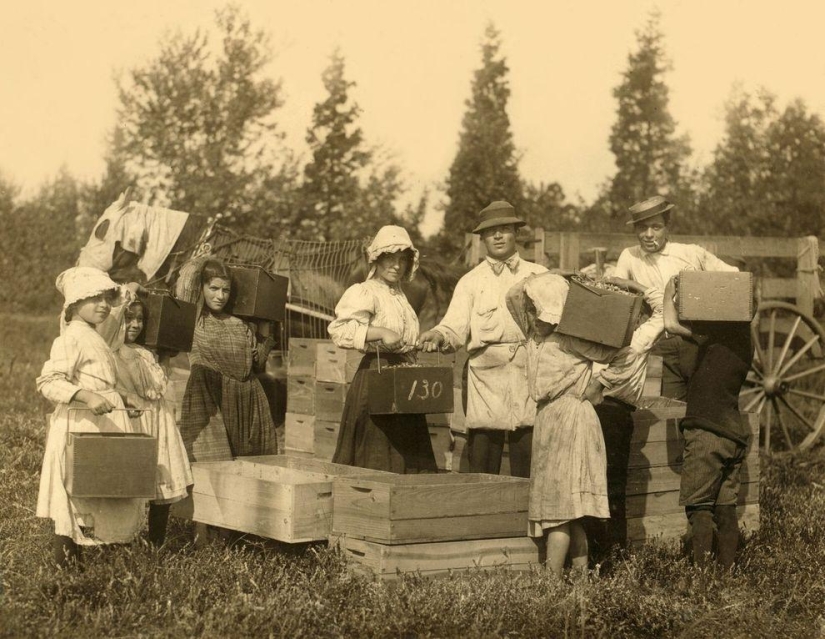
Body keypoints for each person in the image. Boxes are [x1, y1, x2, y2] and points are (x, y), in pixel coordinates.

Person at [506, 273, 625, 577]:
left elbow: (624, 353)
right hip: (549, 420)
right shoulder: (535, 339)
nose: (532, 317)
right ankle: (582, 579)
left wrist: (598, 382)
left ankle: (550, 581)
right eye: (530, 310)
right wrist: (538, 283)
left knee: (560, 510)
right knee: (566, 510)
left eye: (538, 309)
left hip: (572, 420)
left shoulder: (571, 339)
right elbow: (513, 296)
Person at [419, 201, 547, 477]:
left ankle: (525, 517)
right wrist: (438, 334)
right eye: (491, 232)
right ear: (482, 239)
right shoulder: (471, 282)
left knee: (527, 453)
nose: (498, 236)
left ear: (516, 233)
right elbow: (454, 327)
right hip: (486, 380)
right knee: (482, 457)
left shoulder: (538, 276)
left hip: (528, 376)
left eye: (504, 229)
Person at [36, 267, 146, 566]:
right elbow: (48, 381)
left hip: (105, 420)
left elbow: (100, 379)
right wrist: (85, 395)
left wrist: (124, 396)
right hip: (82, 423)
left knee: (109, 488)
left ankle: (107, 559)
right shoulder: (71, 338)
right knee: (79, 491)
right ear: (74, 303)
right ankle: (68, 562)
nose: (103, 305)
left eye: (105, 298)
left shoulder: (95, 336)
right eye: (93, 298)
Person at [329, 225, 437, 473]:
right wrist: (380, 332)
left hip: (403, 379)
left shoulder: (401, 297)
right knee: (376, 452)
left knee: (405, 453)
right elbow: (339, 330)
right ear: (376, 259)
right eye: (389, 258)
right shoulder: (364, 292)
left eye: (402, 260)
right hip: (376, 378)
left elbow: (403, 336)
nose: (396, 265)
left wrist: (419, 342)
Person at [663, 275, 754, 569]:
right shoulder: (744, 340)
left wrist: (669, 293)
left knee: (699, 508)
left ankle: (701, 577)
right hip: (734, 433)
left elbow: (670, 324)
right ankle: (727, 574)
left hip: (707, 432)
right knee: (725, 507)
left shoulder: (713, 336)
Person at [612, 195, 739, 400]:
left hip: (694, 340)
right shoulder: (629, 256)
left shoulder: (691, 253)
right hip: (658, 345)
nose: (648, 235)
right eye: (642, 228)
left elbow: (733, 275)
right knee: (670, 408)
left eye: (656, 227)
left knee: (705, 401)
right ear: (635, 230)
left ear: (667, 226)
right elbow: (617, 294)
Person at [102, 294, 194, 546]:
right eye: (128, 318)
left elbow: (158, 385)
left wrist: (164, 358)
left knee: (161, 478)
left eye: (140, 320)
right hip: (132, 420)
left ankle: (156, 542)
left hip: (157, 420)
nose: (135, 324)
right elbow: (108, 386)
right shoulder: (109, 354)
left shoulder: (145, 353)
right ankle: (121, 539)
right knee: (131, 481)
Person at [178, 258, 277, 461]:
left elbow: (258, 363)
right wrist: (206, 258)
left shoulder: (240, 325)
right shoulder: (194, 320)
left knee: (253, 465)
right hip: (210, 397)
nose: (220, 296)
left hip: (248, 399)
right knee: (213, 465)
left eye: (226, 290)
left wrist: (265, 324)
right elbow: (186, 280)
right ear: (201, 287)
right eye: (213, 288)